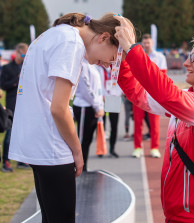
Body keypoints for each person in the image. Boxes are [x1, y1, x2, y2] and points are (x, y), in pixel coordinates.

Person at [114, 15, 194, 223]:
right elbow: (139, 95)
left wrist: (133, 49)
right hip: (179, 215)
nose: (186, 63)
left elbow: (169, 96)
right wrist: (119, 59)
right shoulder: (193, 100)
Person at [8, 13, 135, 223]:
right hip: (51, 146)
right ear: (103, 37)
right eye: (112, 58)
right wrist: (77, 151)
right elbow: (59, 108)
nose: (106, 64)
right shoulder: (71, 42)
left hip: (37, 141)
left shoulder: (54, 35)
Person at [132, 34, 167, 158]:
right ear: (142, 44)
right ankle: (137, 148)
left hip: (153, 95)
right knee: (137, 122)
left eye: (148, 43)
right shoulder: (138, 56)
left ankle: (154, 148)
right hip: (139, 94)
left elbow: (162, 76)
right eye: (144, 43)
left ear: (152, 43)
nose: (146, 45)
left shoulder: (160, 57)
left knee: (154, 123)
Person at [0, 43, 28, 172]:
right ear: (17, 53)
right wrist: (16, 81)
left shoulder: (26, 67)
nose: (23, 57)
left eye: (25, 55)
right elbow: (4, 85)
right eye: (22, 54)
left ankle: (22, 160)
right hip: (12, 103)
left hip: (25, 104)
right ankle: (6, 161)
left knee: (23, 134)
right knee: (10, 134)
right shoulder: (7, 68)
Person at [73, 58, 104, 171]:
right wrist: (98, 106)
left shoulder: (93, 66)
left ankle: (83, 167)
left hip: (92, 107)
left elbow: (98, 89)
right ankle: (77, 169)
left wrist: (99, 106)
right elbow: (87, 89)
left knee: (87, 140)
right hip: (84, 107)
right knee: (82, 141)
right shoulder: (83, 65)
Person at [98, 65, 122, 158]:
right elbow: (98, 82)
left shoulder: (116, 67)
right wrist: (101, 95)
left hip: (113, 97)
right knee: (101, 125)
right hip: (102, 98)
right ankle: (101, 149)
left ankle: (112, 149)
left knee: (114, 125)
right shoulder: (98, 66)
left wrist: (117, 94)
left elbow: (120, 82)